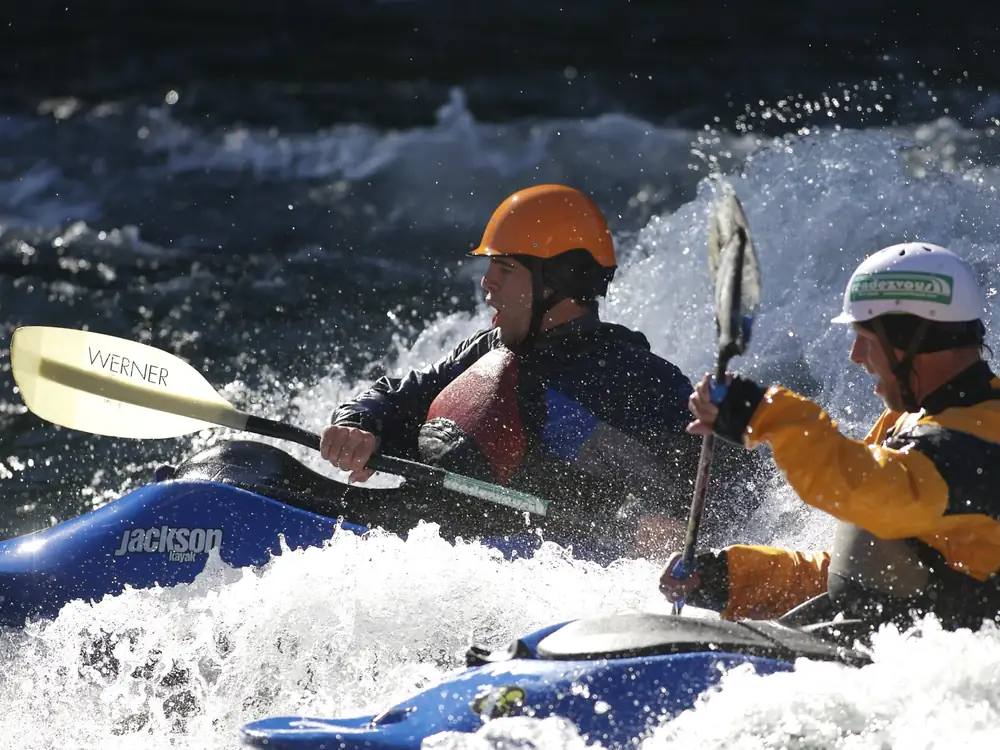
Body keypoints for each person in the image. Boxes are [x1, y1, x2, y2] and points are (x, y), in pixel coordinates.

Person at [319, 184, 721, 560]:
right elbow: (397, 396)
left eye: (506, 268)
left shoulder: (638, 379)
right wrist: (359, 425)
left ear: (560, 281)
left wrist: (674, 529)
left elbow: (720, 484)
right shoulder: (487, 349)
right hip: (440, 544)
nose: (487, 282)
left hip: (557, 566)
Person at [659, 242, 1000, 634]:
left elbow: (873, 493)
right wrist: (729, 579)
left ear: (912, 341)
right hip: (904, 651)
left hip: (956, 674)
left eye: (866, 338)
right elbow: (857, 576)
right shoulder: (910, 421)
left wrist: (763, 413)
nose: (856, 355)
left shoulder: (979, 443)